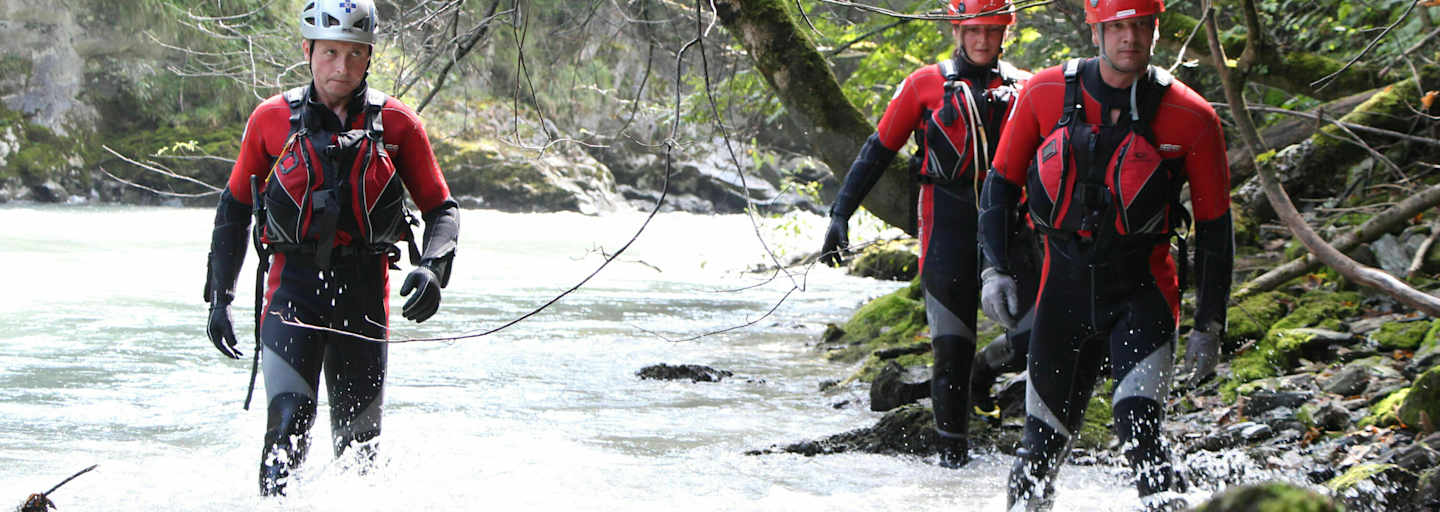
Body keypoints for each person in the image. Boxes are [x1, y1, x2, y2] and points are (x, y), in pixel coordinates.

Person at [975, 0, 1233, 509]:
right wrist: (994, 271)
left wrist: (1209, 327)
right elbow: (999, 189)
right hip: (1061, 293)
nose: (1129, 38)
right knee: (1037, 452)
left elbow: (1215, 232)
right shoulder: (1044, 93)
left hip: (1144, 293)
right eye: (1118, 26)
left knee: (1141, 434)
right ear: (1097, 30)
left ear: (1155, 31)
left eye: (1141, 26)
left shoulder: (1193, 117)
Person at [202, 0, 460, 496]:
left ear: (369, 57)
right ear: (308, 50)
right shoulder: (270, 120)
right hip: (292, 295)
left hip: (364, 296)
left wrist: (432, 269)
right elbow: (233, 208)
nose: (341, 67)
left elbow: (442, 209)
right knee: (285, 429)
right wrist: (220, 298)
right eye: (330, 53)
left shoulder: (400, 125)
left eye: (354, 54)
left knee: (360, 447)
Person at [819, 0, 1031, 467]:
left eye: (992, 31)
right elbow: (877, 151)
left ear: (1005, 32)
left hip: (1013, 234)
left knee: (1039, 333)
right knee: (950, 352)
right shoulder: (924, 85)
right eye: (973, 29)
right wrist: (840, 213)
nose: (982, 40)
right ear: (957, 28)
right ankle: (952, 468)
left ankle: (986, 368)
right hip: (946, 232)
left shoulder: (1028, 88)